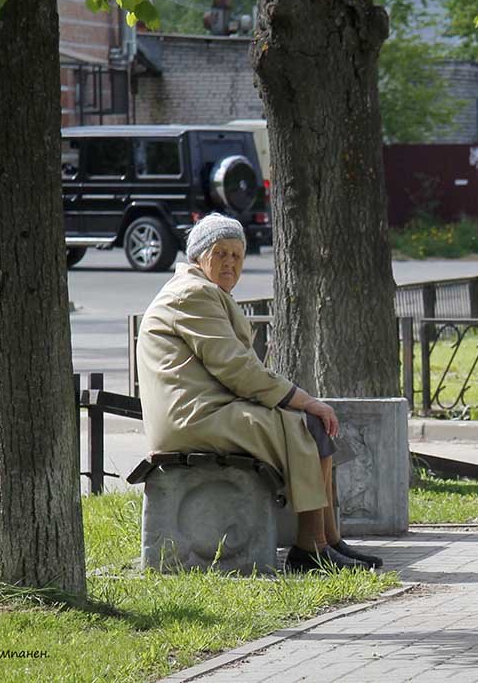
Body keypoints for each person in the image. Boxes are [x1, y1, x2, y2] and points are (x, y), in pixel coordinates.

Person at [135, 213, 382, 572]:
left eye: (237, 256)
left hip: (211, 409)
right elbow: (237, 370)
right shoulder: (192, 294)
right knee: (304, 426)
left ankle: (328, 541)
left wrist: (298, 403)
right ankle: (311, 549)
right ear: (199, 257)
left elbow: (238, 371)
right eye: (220, 254)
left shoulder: (205, 292)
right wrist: (304, 399)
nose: (229, 263)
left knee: (309, 425)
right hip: (194, 418)